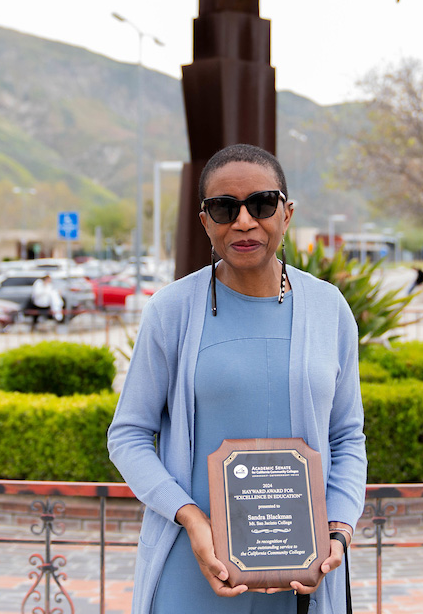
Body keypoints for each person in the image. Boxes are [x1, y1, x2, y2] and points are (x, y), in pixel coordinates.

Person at [108, 144, 367, 614]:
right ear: (205, 221)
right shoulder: (171, 311)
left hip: (303, 576)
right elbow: (127, 434)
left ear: (286, 214)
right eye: (224, 208)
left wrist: (338, 529)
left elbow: (348, 436)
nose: (244, 222)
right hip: (195, 567)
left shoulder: (329, 309)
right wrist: (189, 517)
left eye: (262, 204)